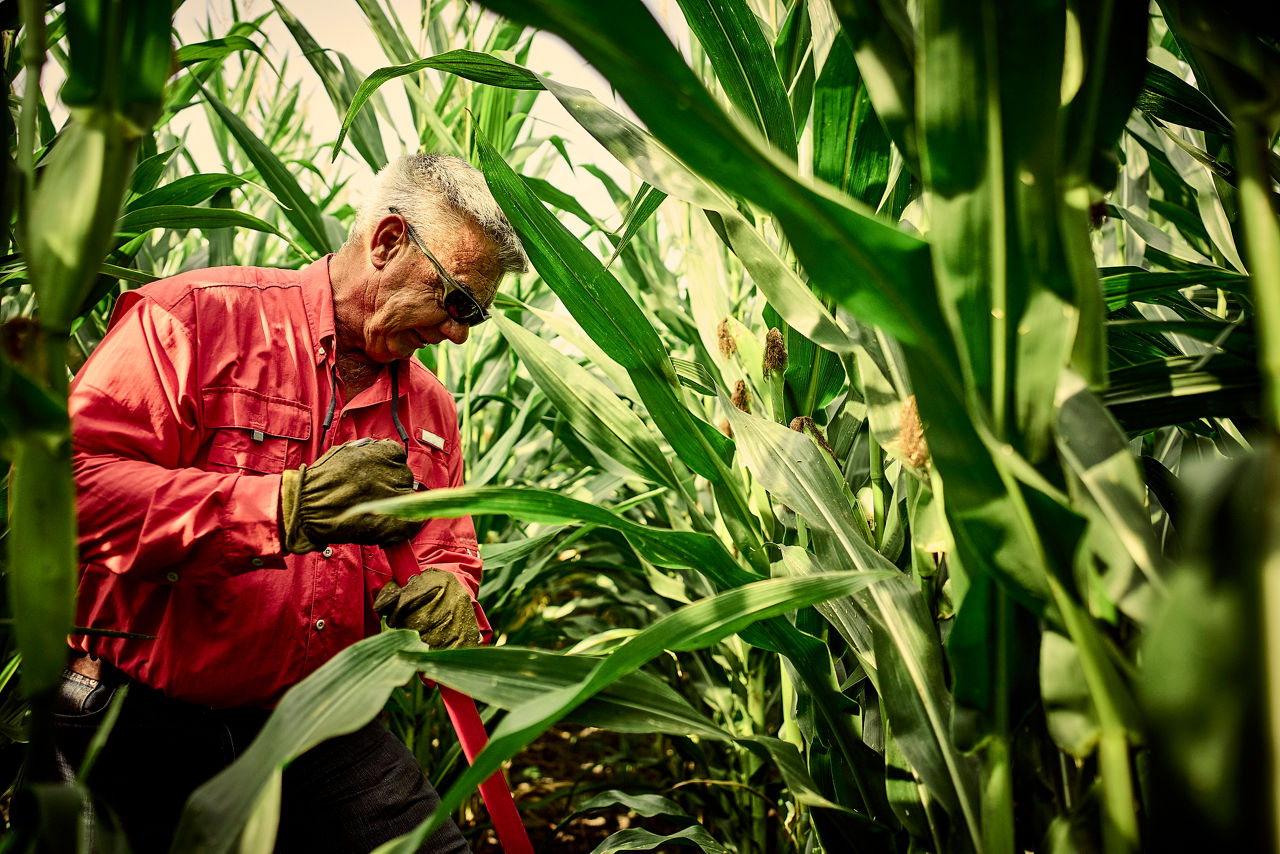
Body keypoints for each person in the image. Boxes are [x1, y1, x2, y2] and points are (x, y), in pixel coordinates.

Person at [52, 153, 527, 853]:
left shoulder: (427, 405)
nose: (457, 331)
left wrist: (452, 591)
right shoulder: (192, 319)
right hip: (139, 713)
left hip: (319, 720)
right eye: (455, 299)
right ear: (388, 240)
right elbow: (72, 496)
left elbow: (444, 545)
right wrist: (281, 508)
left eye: (475, 317)